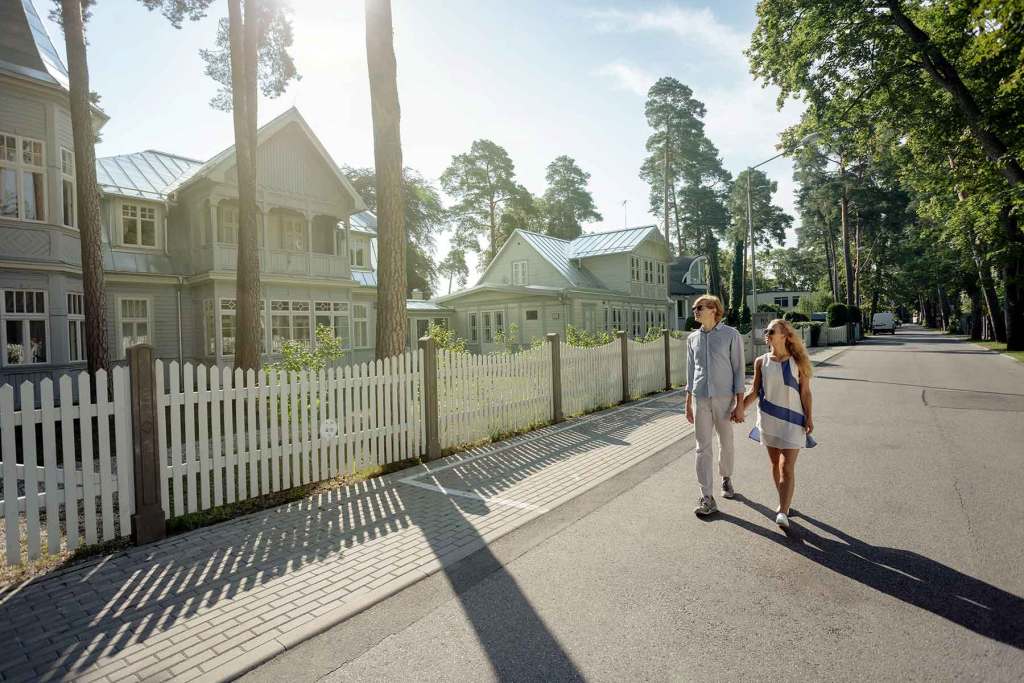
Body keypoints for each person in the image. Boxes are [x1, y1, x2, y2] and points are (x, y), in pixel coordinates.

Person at [743, 318, 814, 529]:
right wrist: (739, 410)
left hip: (793, 421)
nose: (767, 333)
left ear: (784, 335)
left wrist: (809, 417)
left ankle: (783, 510)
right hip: (769, 419)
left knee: (786, 466)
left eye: (771, 330)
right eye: (766, 330)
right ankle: (785, 501)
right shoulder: (760, 362)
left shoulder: (797, 361)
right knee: (775, 464)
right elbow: (754, 391)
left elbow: (806, 392)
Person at [685, 294, 745, 516]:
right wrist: (687, 400)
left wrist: (740, 404)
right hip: (701, 399)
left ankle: (726, 477)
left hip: (724, 398)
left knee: (726, 442)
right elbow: (690, 371)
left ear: (713, 309)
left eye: (699, 307)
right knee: (702, 447)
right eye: (694, 308)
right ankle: (707, 496)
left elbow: (739, 369)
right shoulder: (692, 339)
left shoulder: (731, 335)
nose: (695, 311)